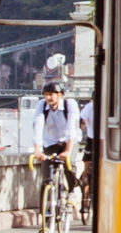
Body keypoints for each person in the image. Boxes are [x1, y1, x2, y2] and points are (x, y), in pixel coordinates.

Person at [32, 80, 83, 208]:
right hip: (51, 141)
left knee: (68, 164)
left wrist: (67, 151)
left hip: (69, 140)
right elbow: (37, 126)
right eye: (46, 94)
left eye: (52, 94)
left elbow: (72, 128)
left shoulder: (70, 104)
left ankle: (71, 192)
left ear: (60, 94)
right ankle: (44, 215)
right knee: (45, 175)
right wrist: (37, 150)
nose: (48, 97)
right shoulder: (41, 105)